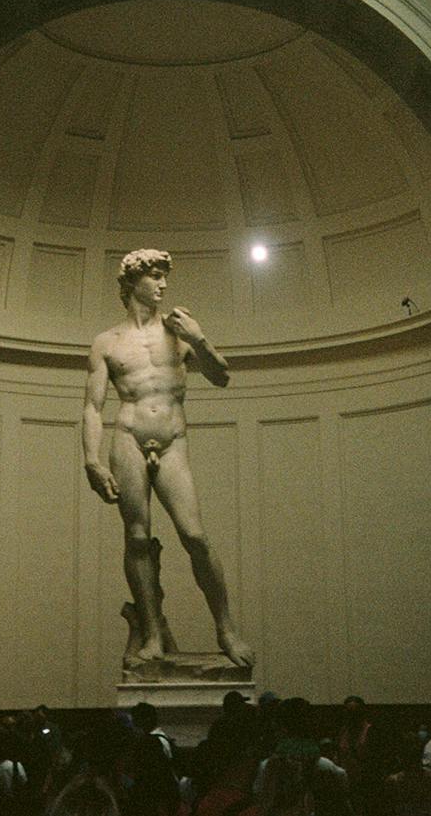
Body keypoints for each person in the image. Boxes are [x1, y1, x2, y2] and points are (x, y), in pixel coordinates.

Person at [84, 249, 253, 667]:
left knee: (194, 536)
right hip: (128, 436)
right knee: (138, 537)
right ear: (132, 282)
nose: (162, 284)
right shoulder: (107, 342)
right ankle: (153, 631)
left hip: (172, 439)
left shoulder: (179, 331)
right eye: (155, 276)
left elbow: (221, 376)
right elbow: (92, 406)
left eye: (164, 277)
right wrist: (92, 461)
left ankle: (226, 629)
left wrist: (198, 337)